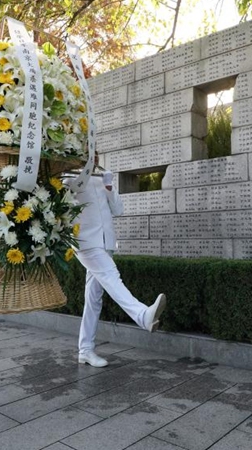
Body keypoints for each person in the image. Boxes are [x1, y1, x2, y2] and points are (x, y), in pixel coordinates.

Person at [68, 156, 166, 367]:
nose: (91, 159)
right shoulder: (69, 177)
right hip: (86, 242)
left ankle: (85, 350)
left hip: (106, 243)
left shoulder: (102, 177)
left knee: (94, 298)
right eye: (87, 154)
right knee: (112, 277)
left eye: (94, 154)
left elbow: (118, 210)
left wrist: (110, 187)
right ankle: (142, 315)